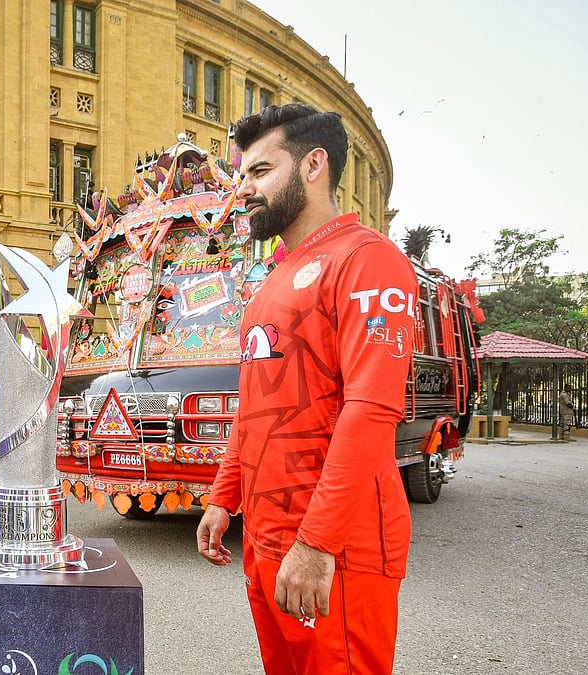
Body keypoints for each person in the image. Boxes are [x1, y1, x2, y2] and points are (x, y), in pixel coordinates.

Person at [196, 103, 417, 674]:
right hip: (267, 539)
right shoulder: (273, 279)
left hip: (337, 548)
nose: (244, 188)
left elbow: (371, 410)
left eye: (260, 171)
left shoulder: (368, 259)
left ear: (313, 165)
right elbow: (255, 404)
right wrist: (223, 497)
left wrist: (318, 543)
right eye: (243, 173)